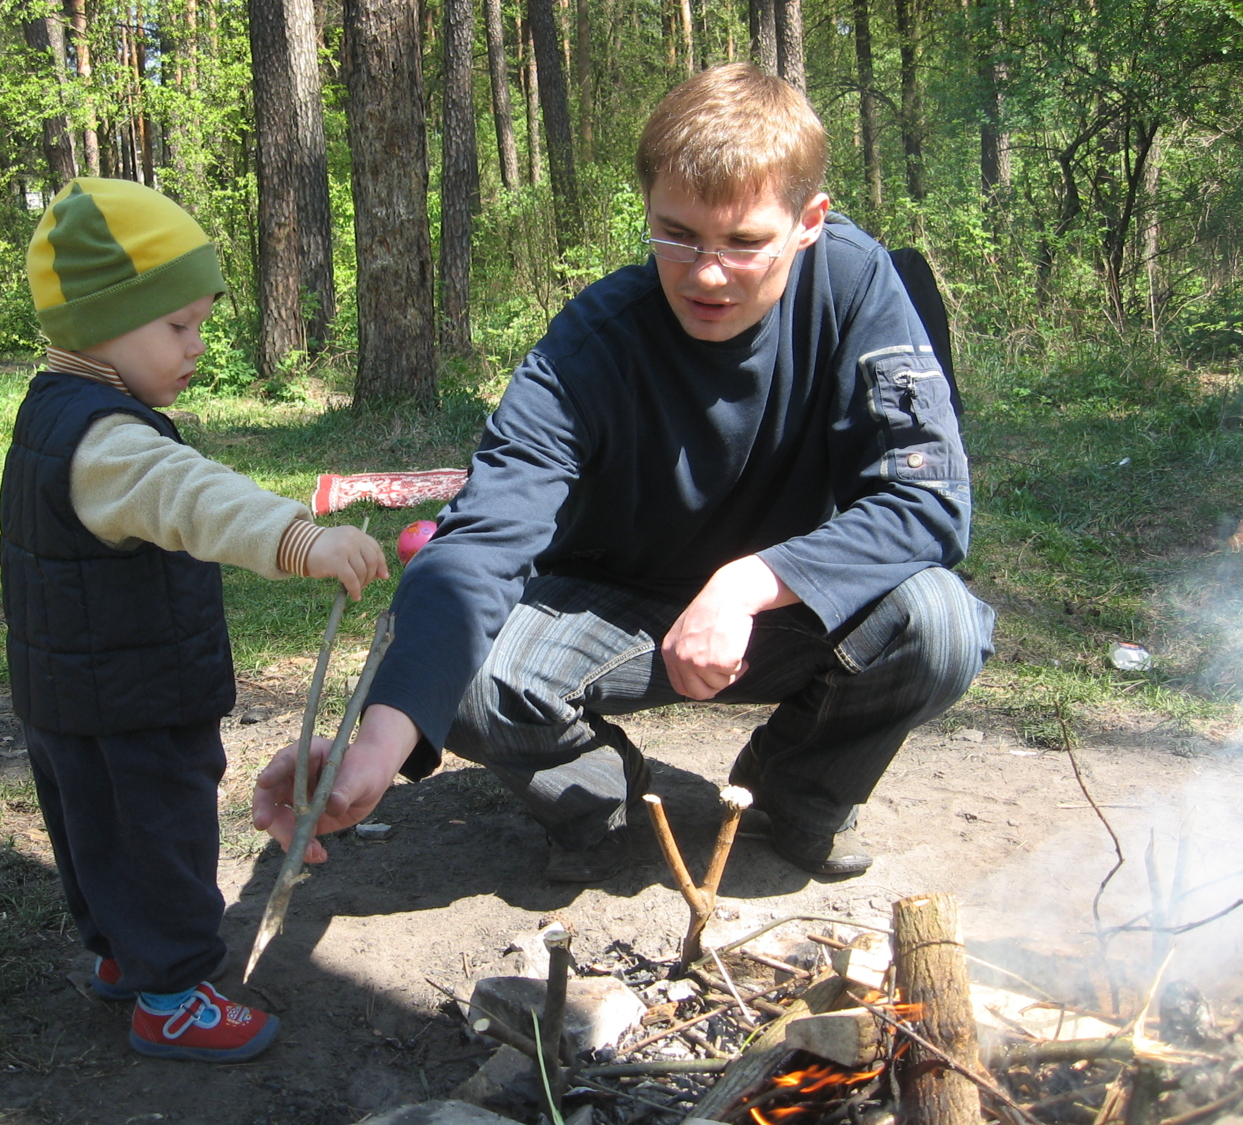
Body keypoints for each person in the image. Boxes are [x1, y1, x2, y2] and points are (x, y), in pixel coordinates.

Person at [253, 64, 994, 884]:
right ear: (646, 208)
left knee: (940, 623)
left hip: (785, 611)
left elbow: (927, 499)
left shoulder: (857, 289)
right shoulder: (591, 346)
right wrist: (376, 749)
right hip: (606, 612)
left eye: (744, 243)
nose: (707, 273)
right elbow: (476, 543)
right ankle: (607, 802)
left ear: (808, 220)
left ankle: (795, 798)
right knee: (459, 674)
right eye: (676, 234)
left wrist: (750, 581)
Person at [1, 177, 387, 1061]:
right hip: (135, 698)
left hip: (66, 694)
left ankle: (122, 956)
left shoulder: (51, 413)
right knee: (161, 838)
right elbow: (196, 497)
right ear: (101, 322)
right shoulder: (111, 440)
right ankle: (171, 991)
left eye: (200, 323)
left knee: (94, 833)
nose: (197, 346)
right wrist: (301, 537)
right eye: (177, 327)